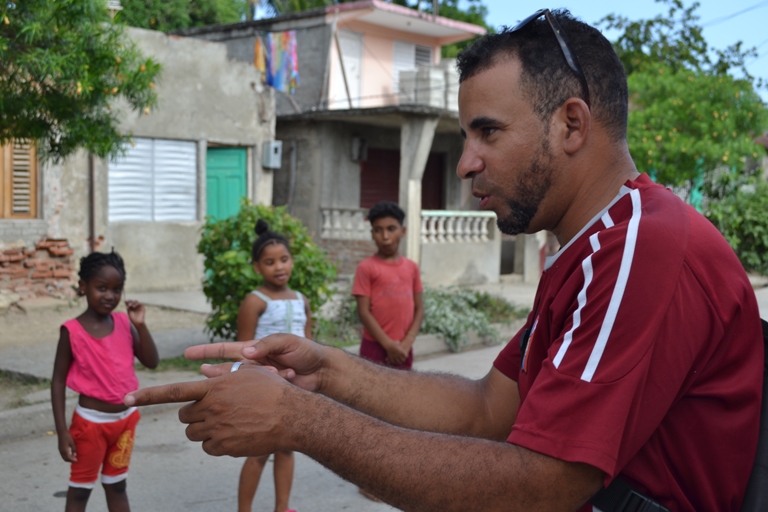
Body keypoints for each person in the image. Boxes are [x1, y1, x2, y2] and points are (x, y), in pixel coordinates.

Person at [125, 10, 764, 512]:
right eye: (465, 137)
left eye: (488, 131)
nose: (465, 164)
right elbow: (485, 408)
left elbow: (544, 485)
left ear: (571, 125)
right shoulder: (592, 249)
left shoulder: (640, 248)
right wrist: (328, 372)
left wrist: (300, 421)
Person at [52, 251, 158, 512]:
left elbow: (151, 361)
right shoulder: (72, 331)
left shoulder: (124, 322)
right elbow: (58, 381)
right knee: (80, 491)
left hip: (125, 423)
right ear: (83, 286)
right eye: (102, 288)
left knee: (117, 485)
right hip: (90, 425)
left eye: (117, 289)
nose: (110, 295)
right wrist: (62, 431)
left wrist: (140, 325)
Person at [235, 219, 310, 512]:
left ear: (292, 260)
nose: (279, 267)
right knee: (258, 452)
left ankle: (283, 507)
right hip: (263, 387)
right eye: (270, 262)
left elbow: (309, 345)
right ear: (257, 267)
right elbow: (243, 351)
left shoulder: (302, 300)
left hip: (295, 387)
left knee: (287, 449)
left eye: (284, 259)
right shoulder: (255, 301)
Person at [353, 201, 424, 370]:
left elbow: (419, 308)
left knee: (402, 386)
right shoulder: (366, 268)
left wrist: (407, 342)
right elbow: (363, 312)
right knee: (371, 387)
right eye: (378, 230)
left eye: (391, 229)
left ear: (403, 231)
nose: (385, 236)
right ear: (372, 234)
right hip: (374, 347)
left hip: (403, 349)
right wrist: (388, 345)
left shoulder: (411, 267)